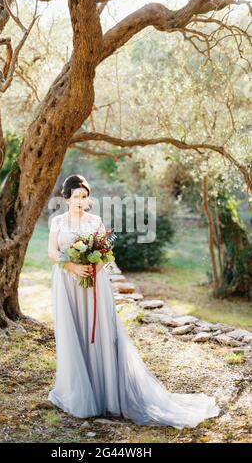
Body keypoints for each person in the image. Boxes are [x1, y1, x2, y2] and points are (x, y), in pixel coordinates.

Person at [47, 174, 221, 428]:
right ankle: (78, 391)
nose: (81, 202)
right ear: (66, 197)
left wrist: (96, 262)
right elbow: (52, 252)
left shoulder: (95, 221)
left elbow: (105, 250)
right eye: (76, 197)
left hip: (94, 285)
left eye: (85, 197)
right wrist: (73, 267)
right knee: (73, 333)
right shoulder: (58, 222)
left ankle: (104, 391)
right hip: (67, 283)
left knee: (99, 334)